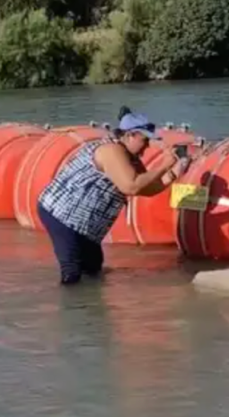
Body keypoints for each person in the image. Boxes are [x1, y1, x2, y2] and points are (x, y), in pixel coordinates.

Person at [36, 107, 189, 285]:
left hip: (88, 225)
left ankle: (89, 309)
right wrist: (164, 165)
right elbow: (131, 186)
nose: (147, 146)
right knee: (72, 272)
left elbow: (145, 188)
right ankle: (71, 309)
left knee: (93, 269)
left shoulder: (131, 158)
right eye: (145, 140)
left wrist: (174, 172)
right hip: (61, 215)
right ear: (130, 135)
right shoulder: (111, 150)